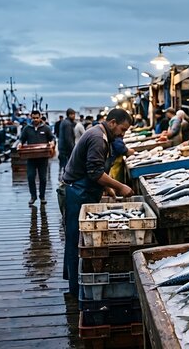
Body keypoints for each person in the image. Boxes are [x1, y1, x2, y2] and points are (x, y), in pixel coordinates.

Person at [61, 109, 134, 296]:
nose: (122, 134)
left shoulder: (100, 134)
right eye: (122, 129)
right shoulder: (97, 138)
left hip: (84, 189)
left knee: (79, 239)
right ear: (112, 123)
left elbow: (95, 169)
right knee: (77, 241)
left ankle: (76, 284)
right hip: (77, 192)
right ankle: (76, 289)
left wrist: (107, 188)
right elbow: (94, 173)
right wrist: (120, 187)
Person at [18, 110, 55, 205]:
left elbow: (52, 138)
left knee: (43, 178)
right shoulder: (27, 129)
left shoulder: (46, 128)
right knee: (30, 177)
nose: (35, 120)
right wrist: (20, 144)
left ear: (40, 117)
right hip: (31, 158)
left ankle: (42, 196)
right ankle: (33, 196)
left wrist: (52, 142)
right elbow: (22, 139)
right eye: (33, 118)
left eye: (37, 118)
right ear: (31, 117)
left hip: (43, 157)